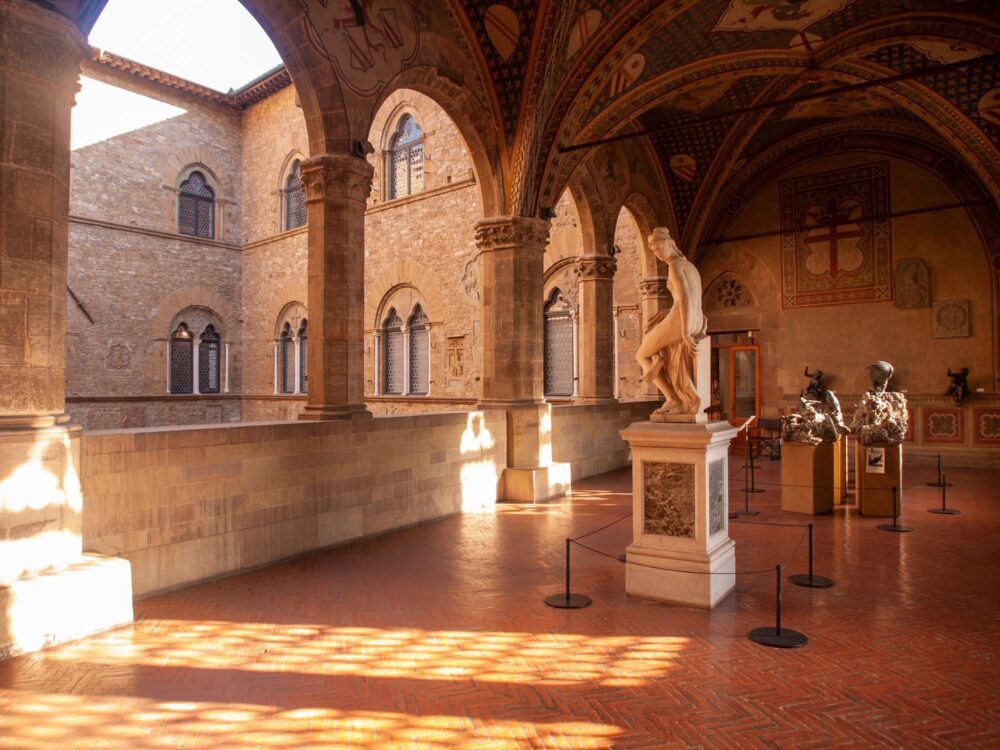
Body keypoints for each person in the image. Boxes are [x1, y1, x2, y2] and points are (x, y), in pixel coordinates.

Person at [635, 227, 708, 416]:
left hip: (682, 321)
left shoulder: (675, 266)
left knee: (641, 355)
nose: (656, 253)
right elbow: (689, 298)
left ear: (669, 244)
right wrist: (666, 312)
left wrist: (684, 332)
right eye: (652, 249)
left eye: (658, 247)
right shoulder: (689, 266)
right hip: (696, 319)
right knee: (652, 327)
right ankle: (660, 357)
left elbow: (683, 299)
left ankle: (672, 398)